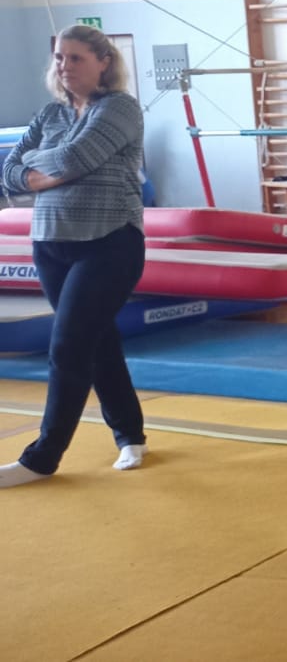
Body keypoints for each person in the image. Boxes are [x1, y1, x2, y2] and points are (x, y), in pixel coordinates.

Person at [0, 25, 148, 489]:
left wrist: (38, 170)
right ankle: (131, 434)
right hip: (51, 242)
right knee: (97, 341)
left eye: (76, 57)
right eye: (59, 58)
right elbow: (8, 172)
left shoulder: (120, 108)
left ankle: (41, 459)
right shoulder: (50, 113)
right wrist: (40, 171)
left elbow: (72, 160)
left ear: (103, 62)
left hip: (109, 241)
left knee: (68, 347)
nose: (64, 66)